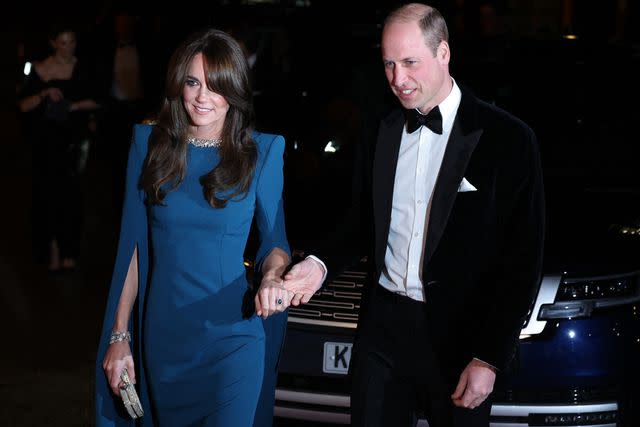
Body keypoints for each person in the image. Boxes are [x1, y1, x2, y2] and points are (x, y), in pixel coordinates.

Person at [289, 3, 545, 426]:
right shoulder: (381, 129)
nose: (398, 79)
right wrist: (318, 265)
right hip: (383, 330)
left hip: (461, 339)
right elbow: (361, 223)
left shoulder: (510, 140)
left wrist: (490, 356)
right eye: (388, 64)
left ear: (443, 52)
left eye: (410, 62)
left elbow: (523, 260)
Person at [95, 28, 323, 426]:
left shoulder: (262, 151)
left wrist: (271, 278)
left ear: (234, 90)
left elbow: (275, 243)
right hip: (164, 339)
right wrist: (120, 335)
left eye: (216, 86)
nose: (202, 97)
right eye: (193, 82)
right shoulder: (149, 144)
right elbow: (133, 248)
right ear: (179, 85)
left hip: (233, 339)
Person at [17, 21, 100, 271]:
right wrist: (44, 94)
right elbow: (22, 105)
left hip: (73, 143)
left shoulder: (82, 67)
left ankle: (69, 248)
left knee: (71, 197)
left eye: (72, 41)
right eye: (63, 42)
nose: (69, 48)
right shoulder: (39, 69)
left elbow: (98, 100)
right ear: (53, 43)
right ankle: (50, 247)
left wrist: (73, 106)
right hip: (44, 143)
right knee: (46, 197)